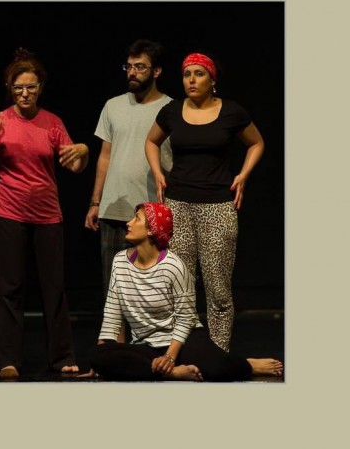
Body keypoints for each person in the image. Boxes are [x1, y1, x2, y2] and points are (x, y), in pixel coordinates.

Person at [0, 48, 88, 379]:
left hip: (47, 214)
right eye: (18, 88)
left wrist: (84, 151)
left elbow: (75, 165)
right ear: (10, 88)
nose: (25, 93)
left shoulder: (52, 122)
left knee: (53, 288)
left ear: (40, 87)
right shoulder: (0, 121)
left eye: (30, 87)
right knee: (9, 288)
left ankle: (62, 356)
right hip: (9, 211)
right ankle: (7, 359)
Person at [145, 52, 265, 351]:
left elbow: (256, 143)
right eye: (187, 74)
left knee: (218, 288)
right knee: (180, 286)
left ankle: (218, 353)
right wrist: (158, 172)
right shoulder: (172, 111)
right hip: (178, 204)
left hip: (217, 206)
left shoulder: (231, 112)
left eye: (198, 74)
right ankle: (184, 351)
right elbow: (151, 141)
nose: (191, 80)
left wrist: (243, 175)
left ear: (212, 80)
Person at [86, 202, 282, 381]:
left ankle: (248, 365)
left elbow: (186, 318)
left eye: (136, 219)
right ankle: (172, 373)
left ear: (152, 230)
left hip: (183, 340)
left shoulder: (173, 266)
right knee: (96, 355)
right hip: (146, 346)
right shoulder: (120, 262)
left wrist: (170, 357)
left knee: (217, 368)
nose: (129, 223)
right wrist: (101, 361)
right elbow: (112, 312)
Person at [85, 39, 173, 299]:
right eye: (129, 67)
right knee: (114, 288)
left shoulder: (171, 109)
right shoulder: (113, 106)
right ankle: (115, 329)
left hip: (152, 212)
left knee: (151, 289)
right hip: (114, 208)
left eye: (140, 67)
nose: (132, 72)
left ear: (156, 71)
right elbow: (105, 156)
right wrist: (95, 202)